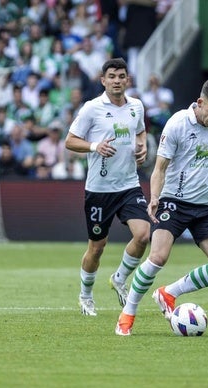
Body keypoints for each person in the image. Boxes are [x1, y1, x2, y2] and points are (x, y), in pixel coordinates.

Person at [115, 78, 208, 336]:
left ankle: (169, 292)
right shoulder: (177, 124)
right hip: (173, 201)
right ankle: (127, 314)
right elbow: (159, 168)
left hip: (206, 205)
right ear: (200, 103)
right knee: (158, 257)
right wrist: (155, 198)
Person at [65, 58, 151, 316]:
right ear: (103, 80)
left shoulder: (136, 106)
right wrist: (94, 146)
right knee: (97, 247)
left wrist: (143, 144)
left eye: (121, 76)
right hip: (99, 190)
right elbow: (70, 141)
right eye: (111, 76)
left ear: (128, 80)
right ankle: (85, 295)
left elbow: (140, 131)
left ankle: (120, 278)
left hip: (129, 185)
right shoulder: (92, 108)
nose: (116, 80)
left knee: (143, 235)